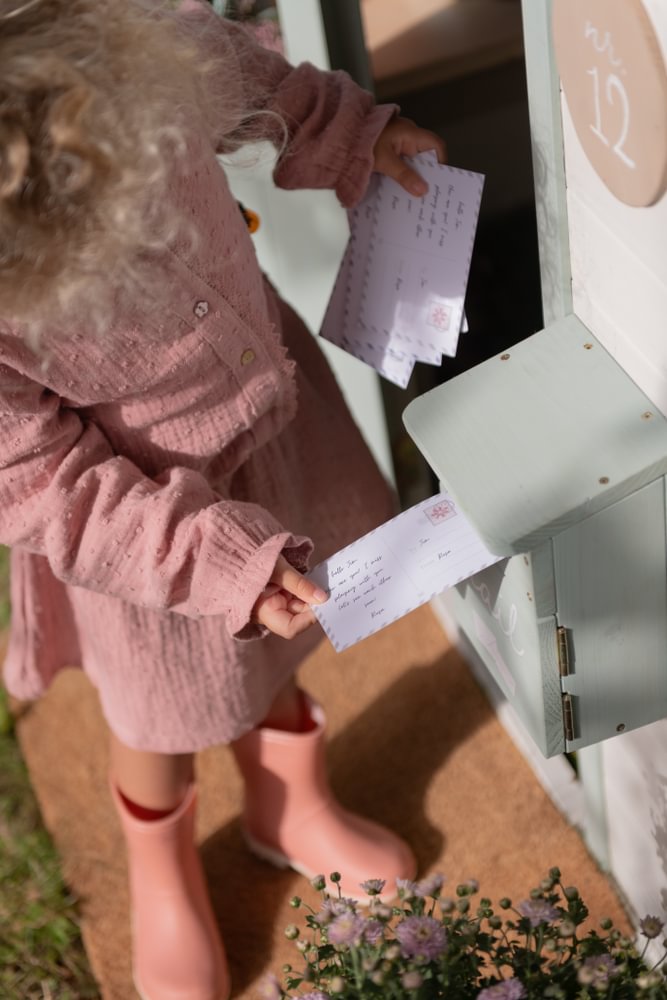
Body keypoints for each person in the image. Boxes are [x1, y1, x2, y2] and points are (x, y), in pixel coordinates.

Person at [0, 1, 446, 997]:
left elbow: (251, 80)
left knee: (281, 636)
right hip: (148, 522)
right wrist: (211, 563)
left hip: (267, 419)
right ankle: (161, 862)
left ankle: (286, 800)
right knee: (161, 711)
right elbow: (42, 483)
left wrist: (351, 135)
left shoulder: (119, 37)